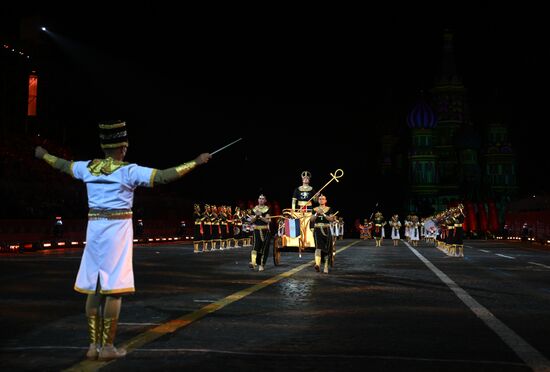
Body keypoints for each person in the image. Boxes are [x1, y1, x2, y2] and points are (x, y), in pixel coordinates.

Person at [34, 120, 211, 361]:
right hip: (117, 232)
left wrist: (44, 155)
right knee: (113, 289)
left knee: (94, 288)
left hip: (94, 230)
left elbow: (63, 165)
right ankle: (107, 347)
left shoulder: (89, 167)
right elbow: (163, 177)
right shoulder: (128, 170)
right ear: (124, 147)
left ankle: (92, 347)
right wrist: (196, 162)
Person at [310, 194, 337, 273]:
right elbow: (311, 220)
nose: (321, 200)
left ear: (326, 201)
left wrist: (324, 214)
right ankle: (317, 264)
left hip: (326, 229)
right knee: (318, 247)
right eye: (320, 199)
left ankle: (325, 266)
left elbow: (331, 219)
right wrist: (316, 214)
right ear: (318, 200)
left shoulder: (329, 209)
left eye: (323, 199)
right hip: (317, 229)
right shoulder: (315, 209)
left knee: (326, 249)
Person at [248, 194, 272, 271]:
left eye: (263, 199)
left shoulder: (267, 209)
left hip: (265, 231)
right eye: (260, 198)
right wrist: (256, 216)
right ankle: (253, 262)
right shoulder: (254, 209)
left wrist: (261, 216)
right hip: (256, 230)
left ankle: (261, 265)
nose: (261, 200)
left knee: (264, 248)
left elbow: (268, 221)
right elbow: (251, 221)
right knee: (255, 247)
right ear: (258, 200)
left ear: (265, 200)